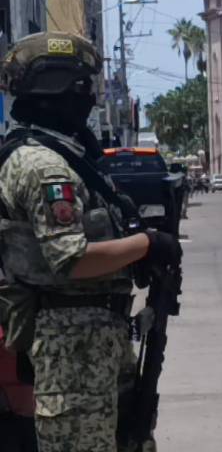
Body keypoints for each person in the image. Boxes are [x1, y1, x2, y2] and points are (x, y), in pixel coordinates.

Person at [0, 32, 181, 452]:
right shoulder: (45, 167)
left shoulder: (64, 154)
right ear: (59, 88)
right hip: (72, 351)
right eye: (83, 87)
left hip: (93, 342)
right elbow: (71, 259)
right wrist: (148, 244)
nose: (90, 99)